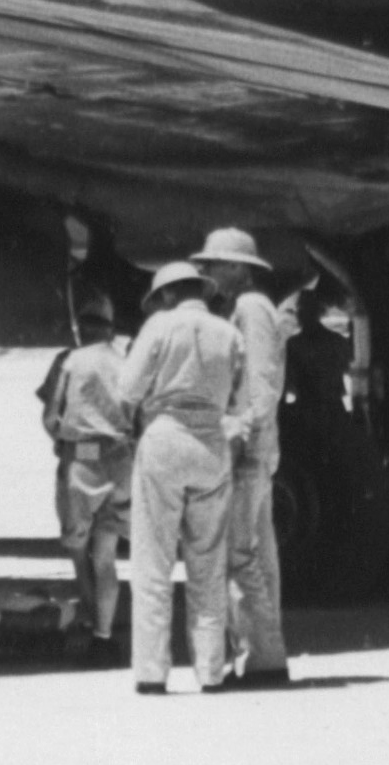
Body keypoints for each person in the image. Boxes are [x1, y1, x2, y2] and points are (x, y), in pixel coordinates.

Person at [118, 260, 244, 695]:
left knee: (152, 562)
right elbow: (240, 398)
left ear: (168, 294)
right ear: (201, 291)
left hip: (165, 438)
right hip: (212, 443)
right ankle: (211, 671)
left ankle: (152, 673)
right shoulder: (229, 333)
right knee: (208, 563)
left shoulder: (159, 325)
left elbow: (128, 389)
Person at [194, 228, 292, 688]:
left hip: (248, 448)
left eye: (214, 264)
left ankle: (264, 659)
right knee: (256, 555)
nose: (207, 272)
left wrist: (244, 437)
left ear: (237, 267)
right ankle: (262, 655)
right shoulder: (249, 308)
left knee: (240, 555)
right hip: (256, 446)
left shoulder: (250, 310)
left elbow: (261, 381)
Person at [35, 282, 133, 653]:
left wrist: (63, 443)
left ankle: (93, 618)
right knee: (105, 555)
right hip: (122, 461)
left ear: (80, 325)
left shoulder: (70, 360)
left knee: (79, 550)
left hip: (84, 459)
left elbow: (50, 417)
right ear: (110, 326)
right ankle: (103, 634)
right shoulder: (125, 361)